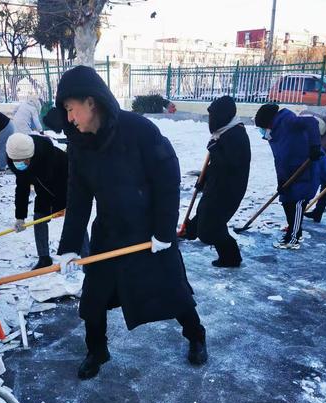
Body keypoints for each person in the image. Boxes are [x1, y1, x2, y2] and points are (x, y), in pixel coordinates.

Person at [48, 65, 207, 380]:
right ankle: (97, 350)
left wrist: (164, 230)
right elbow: (78, 198)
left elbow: (167, 178)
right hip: (109, 231)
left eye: (71, 109)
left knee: (172, 290)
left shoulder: (139, 130)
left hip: (150, 232)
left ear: (90, 102)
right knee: (93, 297)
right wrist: (68, 247)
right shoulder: (79, 145)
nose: (69, 118)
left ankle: (196, 335)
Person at [182, 96, 251, 267]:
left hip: (228, 190)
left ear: (223, 116)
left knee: (210, 228)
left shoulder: (236, 135)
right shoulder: (224, 132)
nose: (211, 121)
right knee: (204, 212)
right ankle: (189, 231)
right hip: (217, 185)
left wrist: (215, 150)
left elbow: (231, 165)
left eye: (213, 116)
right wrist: (204, 178)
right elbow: (216, 165)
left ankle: (231, 257)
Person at [254, 103, 326, 249]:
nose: (262, 131)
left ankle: (294, 237)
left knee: (297, 202)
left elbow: (312, 122)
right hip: (289, 174)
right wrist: (281, 181)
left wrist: (315, 147)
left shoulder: (288, 121)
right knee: (286, 201)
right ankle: (292, 230)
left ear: (269, 122)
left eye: (263, 127)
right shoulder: (274, 137)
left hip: (306, 171)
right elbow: (279, 160)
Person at [6, 132, 68, 270]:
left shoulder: (49, 156)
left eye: (27, 160)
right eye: (20, 161)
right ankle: (44, 258)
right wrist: (20, 217)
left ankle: (86, 256)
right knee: (39, 217)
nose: (24, 164)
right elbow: (22, 188)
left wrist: (63, 205)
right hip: (43, 188)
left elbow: (62, 184)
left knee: (74, 218)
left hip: (66, 183)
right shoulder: (15, 159)